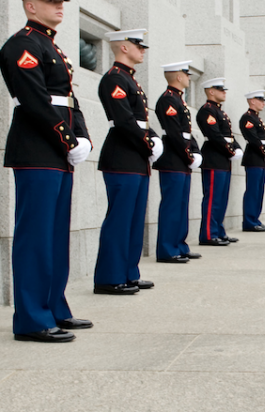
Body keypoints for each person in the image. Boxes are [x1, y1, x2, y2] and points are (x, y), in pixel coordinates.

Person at [0, 0, 93, 342]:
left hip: (58, 151)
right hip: (38, 148)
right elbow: (35, 100)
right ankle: (31, 319)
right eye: (51, 1)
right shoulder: (22, 44)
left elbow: (68, 98)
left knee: (55, 235)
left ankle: (53, 307)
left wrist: (82, 137)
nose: (59, 6)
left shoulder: (50, 44)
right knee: (35, 236)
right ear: (31, 5)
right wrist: (67, 139)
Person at [94, 29, 161, 295]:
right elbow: (123, 121)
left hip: (135, 157)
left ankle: (128, 272)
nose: (142, 50)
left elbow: (141, 121)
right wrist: (149, 143)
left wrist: (153, 139)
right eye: (138, 45)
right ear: (123, 47)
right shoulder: (114, 79)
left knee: (133, 220)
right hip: (122, 155)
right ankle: (110, 278)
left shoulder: (130, 79)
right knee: (119, 220)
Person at [153, 61, 203, 263]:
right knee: (172, 206)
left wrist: (193, 151)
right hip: (173, 157)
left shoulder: (178, 100)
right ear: (179, 76)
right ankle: (167, 249)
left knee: (181, 205)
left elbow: (186, 133)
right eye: (187, 74)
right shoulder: (168, 100)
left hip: (181, 158)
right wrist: (188, 154)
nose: (189, 78)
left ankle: (179, 245)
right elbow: (174, 133)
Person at [197, 78, 242, 245]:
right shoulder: (207, 111)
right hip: (214, 158)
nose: (224, 92)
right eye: (220, 89)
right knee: (213, 199)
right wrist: (231, 150)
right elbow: (215, 136)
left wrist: (236, 148)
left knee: (222, 199)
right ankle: (208, 234)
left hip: (223, 158)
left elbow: (229, 135)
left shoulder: (220, 112)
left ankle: (219, 231)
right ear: (211, 91)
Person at [240, 89, 265, 232]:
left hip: (260, 159)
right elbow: (253, 139)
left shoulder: (257, 118)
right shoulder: (247, 118)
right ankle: (249, 221)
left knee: (259, 190)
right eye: (260, 100)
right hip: (254, 158)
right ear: (252, 101)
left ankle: (255, 219)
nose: (263, 104)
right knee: (253, 190)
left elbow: (263, 139)